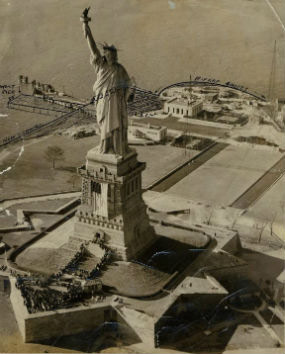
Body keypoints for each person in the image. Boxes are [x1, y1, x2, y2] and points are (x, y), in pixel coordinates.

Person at [81, 8, 133, 156]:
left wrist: (129, 94)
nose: (112, 56)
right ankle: (105, 147)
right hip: (104, 100)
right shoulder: (100, 65)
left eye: (114, 54)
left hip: (117, 100)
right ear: (105, 55)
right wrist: (85, 23)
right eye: (110, 54)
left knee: (118, 125)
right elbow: (91, 44)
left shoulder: (120, 68)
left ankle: (118, 149)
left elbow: (128, 83)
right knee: (105, 125)